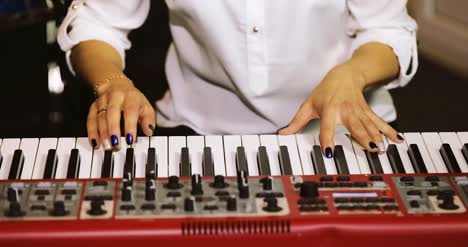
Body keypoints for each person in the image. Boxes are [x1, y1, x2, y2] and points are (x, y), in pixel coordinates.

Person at [57, 0, 418, 158]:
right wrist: (111, 82)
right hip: (196, 132)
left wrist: (351, 75)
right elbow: (98, 21)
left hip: (345, 129)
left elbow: (386, 28)